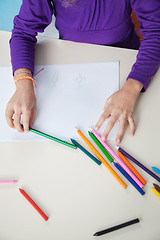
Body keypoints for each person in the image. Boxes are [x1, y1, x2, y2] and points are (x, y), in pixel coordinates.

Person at [5, 0, 160, 144]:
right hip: (73, 64)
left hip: (129, 63)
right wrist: (23, 82)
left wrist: (132, 88)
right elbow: (23, 32)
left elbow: (156, 29)